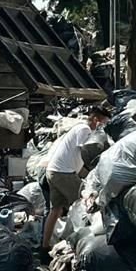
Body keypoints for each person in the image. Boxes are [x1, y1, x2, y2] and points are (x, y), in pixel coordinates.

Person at [42, 107, 110, 258]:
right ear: (96, 120)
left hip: (55, 171)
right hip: (63, 173)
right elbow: (86, 152)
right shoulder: (84, 129)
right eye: (104, 123)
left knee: (56, 210)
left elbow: (79, 162)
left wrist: (92, 177)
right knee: (84, 205)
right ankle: (78, 245)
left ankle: (44, 246)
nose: (104, 126)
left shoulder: (79, 129)